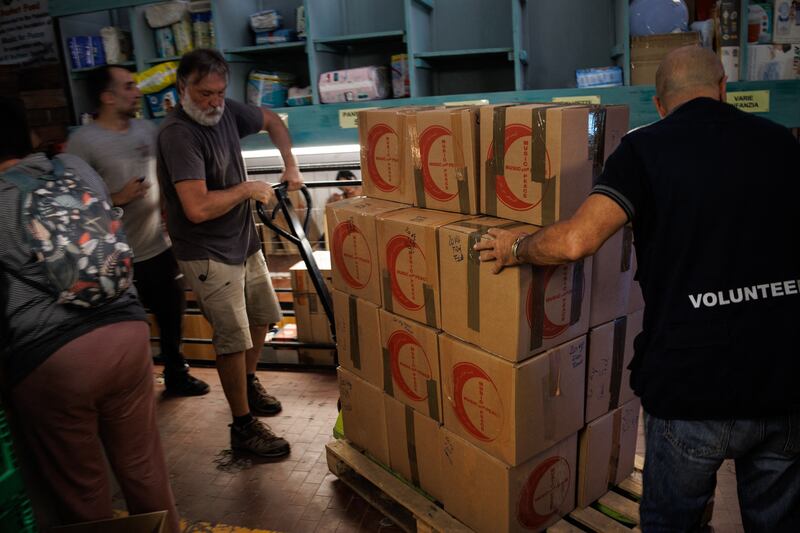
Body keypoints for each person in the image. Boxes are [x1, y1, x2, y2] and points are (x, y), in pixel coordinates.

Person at [474, 46, 800, 532]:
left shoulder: (645, 150)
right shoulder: (783, 145)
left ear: (661, 104)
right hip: (783, 383)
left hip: (690, 387)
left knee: (674, 524)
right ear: (724, 88)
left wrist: (514, 247)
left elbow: (576, 241)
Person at [0, 97, 181, 532]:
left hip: (52, 360)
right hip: (126, 332)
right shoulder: (73, 168)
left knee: (82, 490)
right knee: (144, 468)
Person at [157, 49, 303, 458]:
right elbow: (197, 208)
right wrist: (247, 189)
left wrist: (290, 165)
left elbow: (272, 120)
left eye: (220, 93)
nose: (214, 103)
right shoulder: (179, 135)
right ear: (182, 88)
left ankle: (249, 381)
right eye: (204, 94)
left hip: (241, 240)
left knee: (262, 316)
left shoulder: (225, 112)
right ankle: (242, 427)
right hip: (206, 251)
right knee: (232, 339)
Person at [67, 65, 209, 396]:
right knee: (125, 327)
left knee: (172, 315)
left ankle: (176, 374)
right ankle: (130, 390)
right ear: (107, 96)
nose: (137, 92)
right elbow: (71, 203)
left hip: (156, 247)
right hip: (111, 258)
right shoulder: (83, 143)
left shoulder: (147, 130)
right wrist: (117, 198)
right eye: (129, 86)